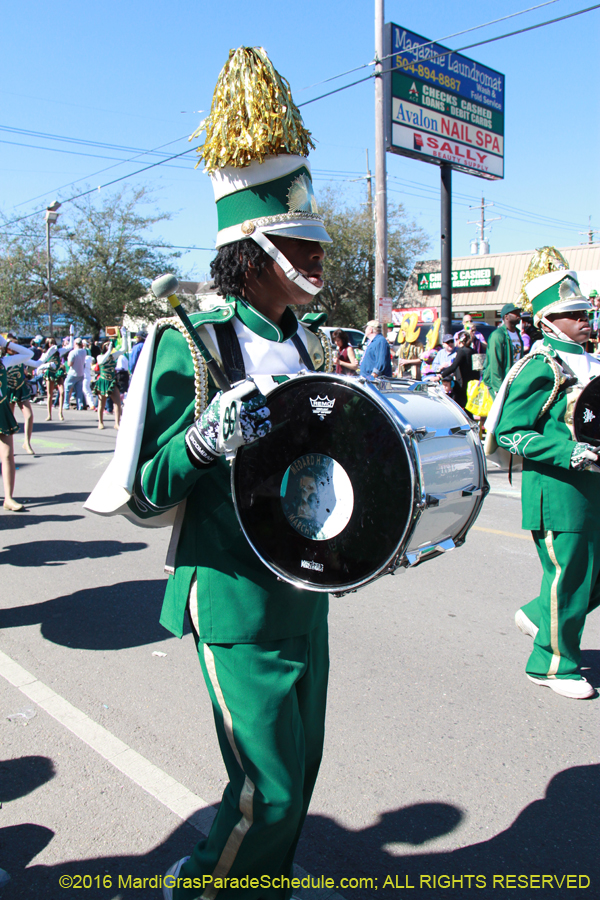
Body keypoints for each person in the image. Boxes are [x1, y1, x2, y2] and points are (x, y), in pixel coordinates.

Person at [86, 46, 335, 900]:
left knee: (302, 772)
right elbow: (146, 489)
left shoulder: (309, 340)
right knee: (265, 787)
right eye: (306, 244)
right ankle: (202, 883)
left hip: (303, 580)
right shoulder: (188, 342)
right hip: (231, 589)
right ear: (258, 250)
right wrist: (200, 441)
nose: (322, 259)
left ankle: (262, 881)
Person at [493, 270, 600, 700]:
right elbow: (509, 431)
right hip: (559, 491)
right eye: (573, 313)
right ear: (548, 321)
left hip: (592, 489)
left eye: (586, 311)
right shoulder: (541, 366)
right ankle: (551, 664)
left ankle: (542, 615)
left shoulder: (590, 361)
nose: (585, 318)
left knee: (590, 576)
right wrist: (568, 452)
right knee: (569, 576)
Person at [0, 334, 34, 510]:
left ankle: (8, 498)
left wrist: (6, 343)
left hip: (1, 410)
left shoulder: (4, 362)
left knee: (7, 455)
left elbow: (28, 354)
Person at [482, 303, 523, 398]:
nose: (519, 316)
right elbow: (494, 362)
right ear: (506, 317)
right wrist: (498, 388)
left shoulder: (517, 334)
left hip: (513, 380)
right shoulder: (498, 335)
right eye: (515, 313)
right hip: (500, 383)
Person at [38, 328, 73, 421]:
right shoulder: (46, 353)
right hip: (50, 373)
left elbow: (70, 346)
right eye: (51, 342)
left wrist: (71, 335)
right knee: (49, 395)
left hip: (58, 373)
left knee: (62, 392)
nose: (53, 344)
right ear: (48, 344)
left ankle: (60, 413)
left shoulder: (59, 352)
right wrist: (46, 367)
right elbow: (39, 363)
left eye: (54, 342)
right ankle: (49, 414)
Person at [437, 330, 475, 411]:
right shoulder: (472, 350)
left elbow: (453, 366)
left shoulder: (461, 351)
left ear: (459, 340)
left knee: (457, 407)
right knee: (468, 407)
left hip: (462, 383)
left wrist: (441, 376)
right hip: (472, 383)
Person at [93, 341, 123, 429]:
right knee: (101, 403)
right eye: (106, 345)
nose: (108, 346)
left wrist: (124, 335)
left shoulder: (113, 356)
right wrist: (109, 350)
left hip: (112, 382)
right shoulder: (100, 357)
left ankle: (117, 423)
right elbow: (102, 361)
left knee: (117, 403)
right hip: (103, 382)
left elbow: (124, 349)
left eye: (109, 345)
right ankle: (100, 422)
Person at [64, 338, 87, 410]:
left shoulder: (73, 352)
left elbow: (70, 364)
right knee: (79, 391)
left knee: (67, 389)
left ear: (76, 344)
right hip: (81, 373)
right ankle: (80, 405)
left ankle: (66, 404)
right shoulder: (84, 351)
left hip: (73, 373)